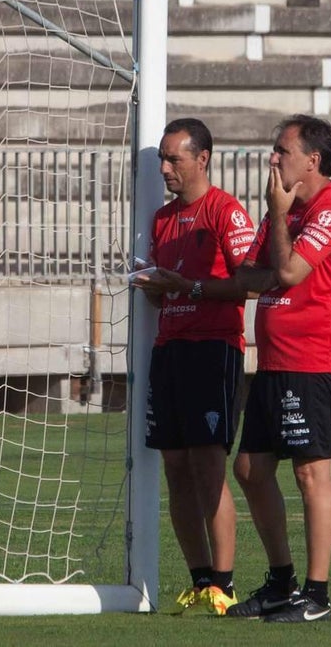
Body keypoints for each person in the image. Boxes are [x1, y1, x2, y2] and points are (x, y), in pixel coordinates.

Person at [227, 114, 331, 623]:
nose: (272, 159)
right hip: (275, 362)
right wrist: (278, 227)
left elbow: (284, 271)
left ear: (313, 160)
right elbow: (248, 276)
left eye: (282, 151)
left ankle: (318, 594)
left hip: (312, 363)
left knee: (310, 473)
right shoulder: (285, 212)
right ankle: (281, 581)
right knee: (250, 469)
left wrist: (277, 219)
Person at [131, 118, 256, 616]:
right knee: (176, 468)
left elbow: (250, 282)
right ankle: (200, 580)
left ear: (202, 158)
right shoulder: (162, 221)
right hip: (170, 351)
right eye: (161, 158)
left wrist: (189, 287)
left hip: (213, 350)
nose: (164, 168)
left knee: (209, 468)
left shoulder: (226, 212)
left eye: (173, 159)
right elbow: (170, 295)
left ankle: (223, 585)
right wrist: (159, 286)